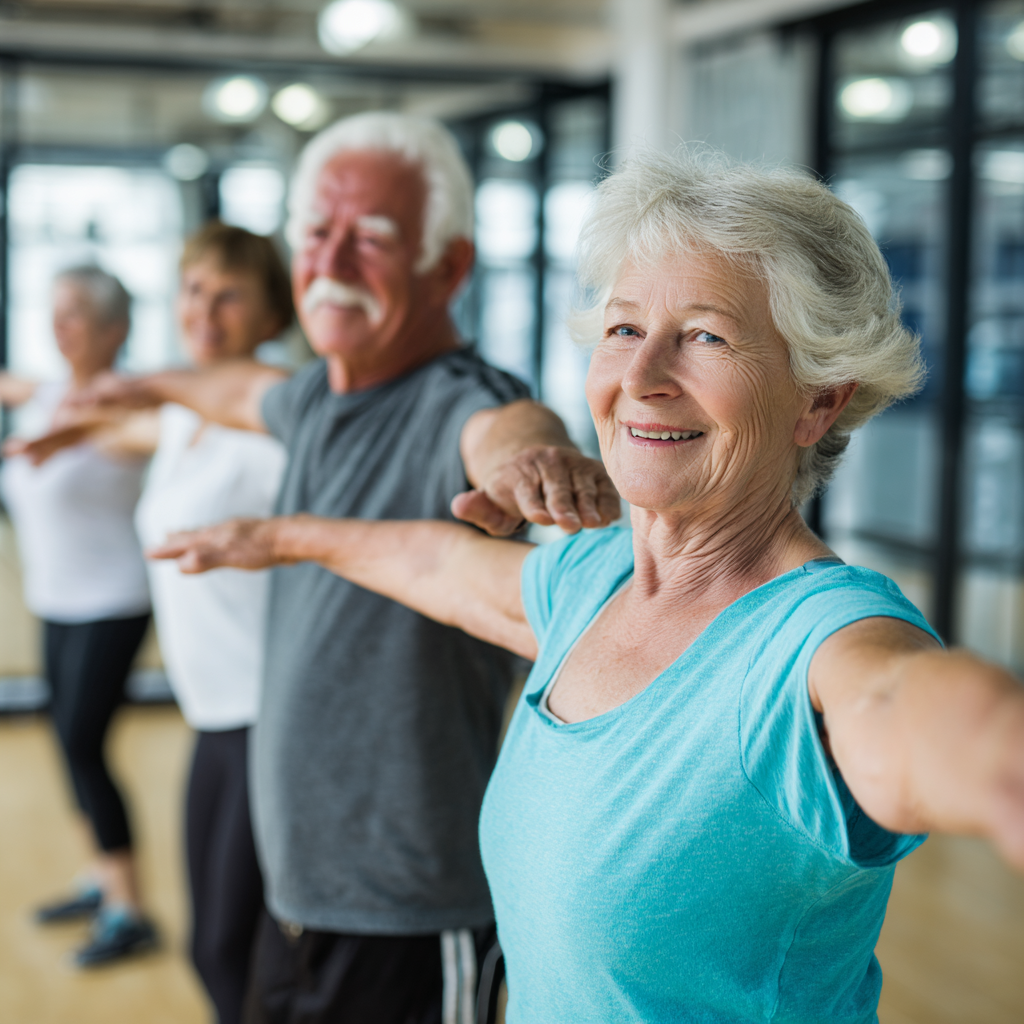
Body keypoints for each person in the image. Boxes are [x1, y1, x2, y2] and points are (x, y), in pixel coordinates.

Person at [152, 151, 1024, 1024]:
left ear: (819, 401)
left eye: (706, 336)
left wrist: (999, 761)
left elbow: (909, 705)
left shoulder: (818, 642)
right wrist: (278, 537)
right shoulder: (596, 579)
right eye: (624, 329)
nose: (641, 378)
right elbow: (435, 565)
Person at [59, 113, 620, 1023]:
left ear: (448, 268)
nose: (333, 260)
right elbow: (234, 388)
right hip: (299, 892)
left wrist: (533, 460)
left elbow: (506, 431)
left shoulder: (460, 399)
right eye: (318, 233)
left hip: (409, 909)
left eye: (372, 238)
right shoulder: (316, 397)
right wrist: (139, 384)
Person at [11, 223, 295, 1023]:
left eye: (230, 294)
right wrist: (67, 428)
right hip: (211, 710)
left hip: (266, 710)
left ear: (273, 314)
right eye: (194, 290)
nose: (205, 309)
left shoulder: (278, 423)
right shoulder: (185, 418)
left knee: (237, 949)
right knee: (216, 949)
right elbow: (132, 427)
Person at [0, 266, 157, 966]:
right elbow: (15, 385)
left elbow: (141, 431)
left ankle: (130, 910)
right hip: (56, 601)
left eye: (76, 315)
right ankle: (100, 877)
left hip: (111, 601)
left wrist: (73, 428)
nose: (58, 327)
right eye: (54, 312)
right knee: (65, 743)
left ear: (114, 329)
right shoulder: (48, 393)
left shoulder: (124, 405)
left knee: (84, 744)